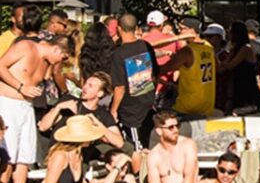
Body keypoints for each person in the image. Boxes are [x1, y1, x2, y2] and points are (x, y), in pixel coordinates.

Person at [0, 32, 72, 183]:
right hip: (8, 102)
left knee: (25, 155)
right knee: (8, 153)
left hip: (27, 106)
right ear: (56, 49)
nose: (61, 62)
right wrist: (20, 87)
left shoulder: (46, 62)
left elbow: (45, 76)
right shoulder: (26, 46)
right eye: (62, 58)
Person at [38, 71, 127, 155]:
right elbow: (42, 127)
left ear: (100, 93)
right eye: (85, 84)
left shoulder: (103, 114)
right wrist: (58, 107)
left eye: (90, 86)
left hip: (82, 156)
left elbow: (119, 143)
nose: (84, 87)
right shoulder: (69, 101)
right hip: (60, 152)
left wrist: (98, 125)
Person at [109, 13, 159, 150]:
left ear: (119, 28)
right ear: (136, 28)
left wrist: (113, 110)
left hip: (130, 106)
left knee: (135, 145)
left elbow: (120, 87)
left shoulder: (119, 54)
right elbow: (155, 74)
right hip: (147, 99)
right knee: (147, 140)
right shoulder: (146, 46)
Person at [164, 19, 217, 119]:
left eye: (182, 28)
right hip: (207, 104)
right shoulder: (209, 47)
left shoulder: (187, 51)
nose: (179, 31)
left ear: (192, 31)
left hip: (187, 106)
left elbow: (166, 68)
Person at [218, 22, 260, 114]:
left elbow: (231, 65)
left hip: (247, 86)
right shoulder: (234, 49)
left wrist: (219, 61)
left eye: (231, 32)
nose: (229, 35)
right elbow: (222, 68)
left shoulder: (246, 48)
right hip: (236, 86)